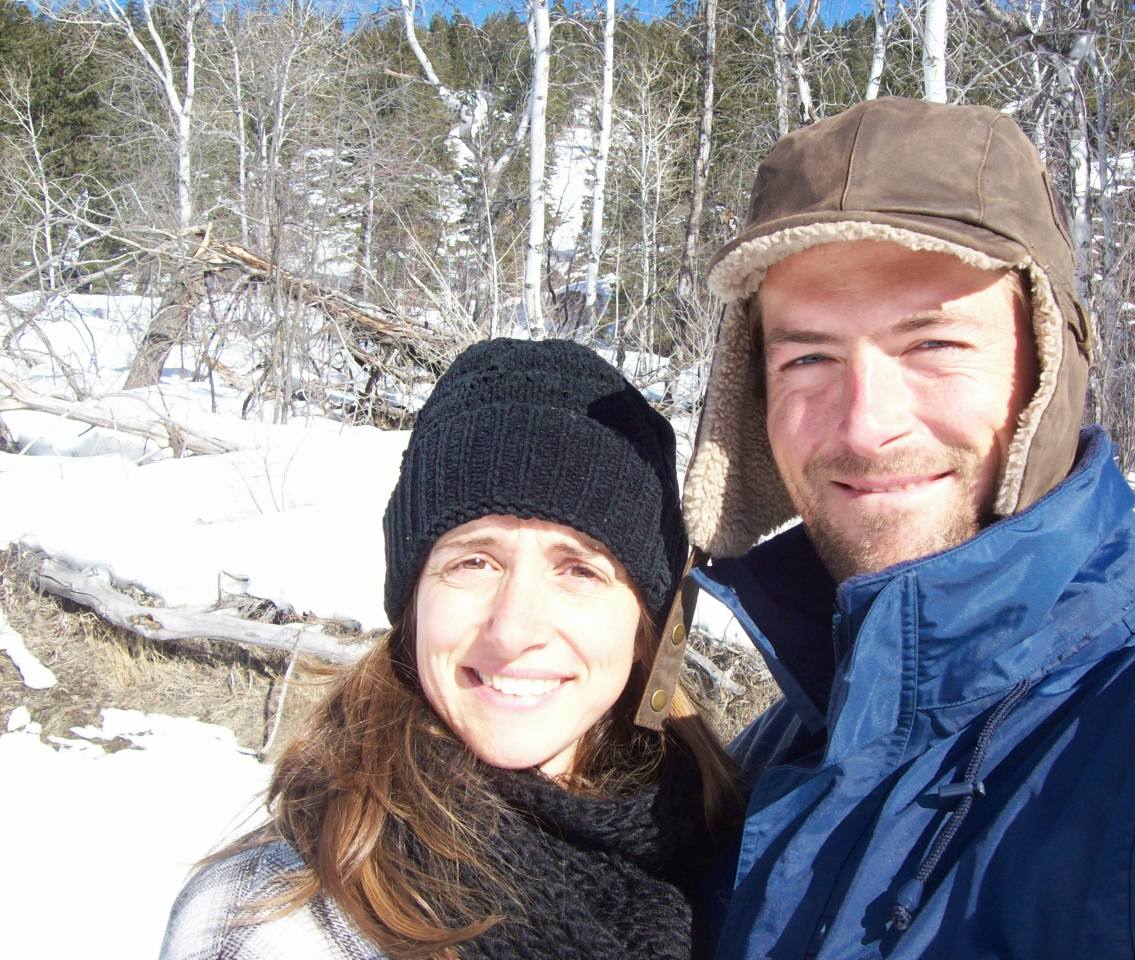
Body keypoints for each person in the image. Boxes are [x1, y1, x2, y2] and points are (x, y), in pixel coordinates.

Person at [681, 97, 1135, 959]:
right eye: (809, 356)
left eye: (934, 345)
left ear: (1047, 371)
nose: (865, 426)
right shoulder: (779, 751)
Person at [160, 338, 740, 960]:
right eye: (474, 562)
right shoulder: (274, 921)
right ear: (413, 602)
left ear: (646, 628)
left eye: (579, 570)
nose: (513, 629)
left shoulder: (732, 851)